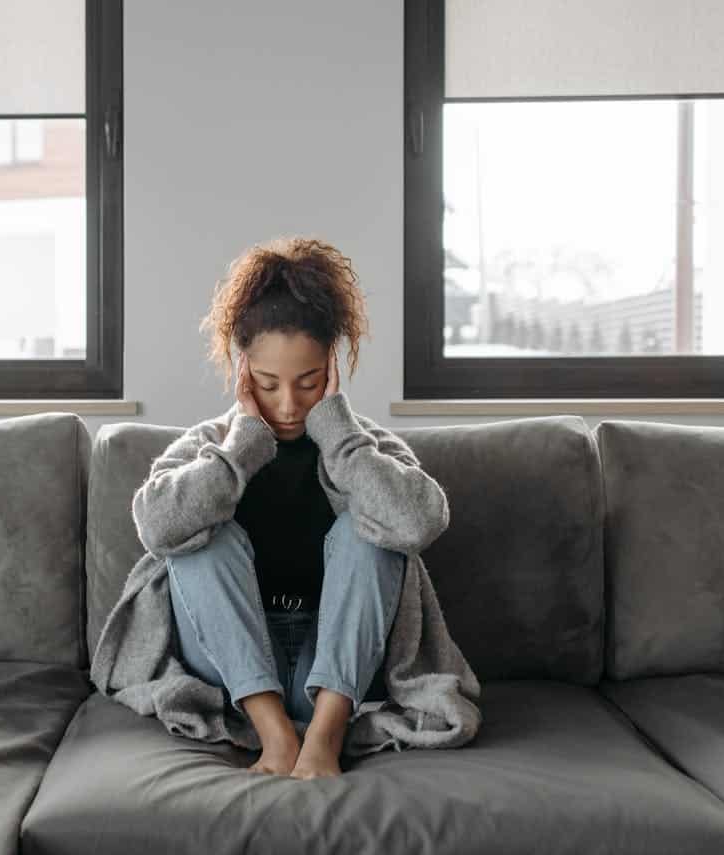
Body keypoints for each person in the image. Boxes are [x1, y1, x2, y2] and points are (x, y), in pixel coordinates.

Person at [89, 236, 481, 781]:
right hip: (234, 670)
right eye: (269, 384)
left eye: (310, 382)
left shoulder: (362, 448)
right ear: (242, 369)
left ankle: (322, 739)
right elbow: (156, 526)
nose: (290, 405)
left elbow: (419, 521)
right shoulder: (213, 444)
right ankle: (275, 737)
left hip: (340, 669)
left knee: (369, 532)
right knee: (202, 539)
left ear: (333, 370)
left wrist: (340, 436)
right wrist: (239, 452)